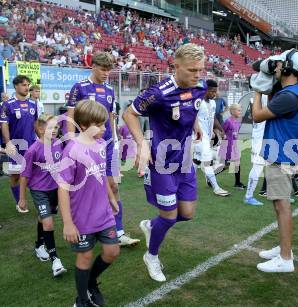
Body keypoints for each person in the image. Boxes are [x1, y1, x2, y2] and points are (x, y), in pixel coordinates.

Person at [123, 43, 206, 282]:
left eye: (200, 69)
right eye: (192, 70)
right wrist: (141, 144)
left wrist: (196, 125)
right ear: (176, 66)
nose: (198, 74)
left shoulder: (199, 87)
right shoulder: (158, 93)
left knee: (187, 214)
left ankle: (151, 226)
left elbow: (193, 109)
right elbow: (129, 113)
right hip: (162, 165)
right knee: (169, 217)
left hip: (186, 162)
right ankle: (151, 256)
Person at [66, 52, 139, 247]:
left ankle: (119, 231)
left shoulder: (109, 89)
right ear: (94, 66)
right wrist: (72, 141)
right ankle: (87, 229)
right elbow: (71, 115)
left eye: (109, 70)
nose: (107, 73)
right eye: (103, 69)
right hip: (85, 146)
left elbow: (111, 116)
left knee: (113, 186)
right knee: (88, 189)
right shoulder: (79, 87)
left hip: (106, 145)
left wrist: (114, 139)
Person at [58, 99, 120, 307]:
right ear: (84, 125)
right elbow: (63, 188)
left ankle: (91, 282)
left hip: (103, 213)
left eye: (104, 124)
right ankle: (82, 300)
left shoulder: (101, 144)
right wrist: (68, 223)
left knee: (112, 252)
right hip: (82, 217)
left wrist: (111, 198)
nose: (104, 129)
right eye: (100, 125)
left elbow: (101, 176)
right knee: (84, 257)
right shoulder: (72, 150)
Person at [251, 50, 298, 273]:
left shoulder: (288, 95)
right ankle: (285, 249)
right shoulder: (292, 92)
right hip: (283, 152)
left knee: (282, 206)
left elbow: (256, 116)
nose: (274, 68)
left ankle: (285, 258)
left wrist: (257, 91)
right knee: (278, 203)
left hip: (281, 155)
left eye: (278, 64)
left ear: (287, 67)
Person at [19, 114, 67, 277]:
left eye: (56, 127)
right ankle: (55, 261)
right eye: (51, 127)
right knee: (48, 224)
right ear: (40, 129)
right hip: (39, 191)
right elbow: (24, 176)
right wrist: (22, 198)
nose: (55, 130)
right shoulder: (33, 150)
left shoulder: (58, 145)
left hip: (55, 190)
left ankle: (39, 245)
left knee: (43, 218)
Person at [0, 75, 38, 213]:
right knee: (16, 176)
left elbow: (36, 124)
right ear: (16, 86)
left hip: (32, 145)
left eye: (28, 85)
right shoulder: (8, 104)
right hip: (15, 146)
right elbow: (4, 124)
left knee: (34, 174)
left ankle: (39, 199)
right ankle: (19, 202)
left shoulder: (33, 104)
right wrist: (8, 143)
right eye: (23, 85)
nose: (26, 87)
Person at [193, 79, 229, 197]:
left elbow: (213, 118)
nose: (215, 94)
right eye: (212, 91)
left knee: (197, 160)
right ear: (206, 90)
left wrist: (220, 130)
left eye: (215, 91)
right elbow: (191, 118)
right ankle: (216, 187)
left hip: (207, 136)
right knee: (207, 162)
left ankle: (184, 182)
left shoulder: (213, 103)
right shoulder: (197, 102)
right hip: (199, 137)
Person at [219, 104, 246, 189]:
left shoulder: (238, 122)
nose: (240, 112)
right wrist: (224, 138)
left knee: (237, 163)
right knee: (226, 166)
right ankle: (210, 176)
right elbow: (222, 131)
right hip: (228, 146)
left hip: (234, 145)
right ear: (233, 111)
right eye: (238, 110)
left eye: (240, 110)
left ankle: (237, 183)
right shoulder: (228, 121)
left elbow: (235, 133)